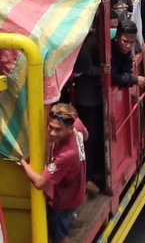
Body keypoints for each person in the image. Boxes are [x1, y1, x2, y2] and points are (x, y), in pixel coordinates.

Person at [20, 102, 88, 243]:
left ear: (69, 129)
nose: (52, 133)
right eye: (50, 127)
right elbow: (86, 135)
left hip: (65, 200)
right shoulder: (77, 124)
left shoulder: (66, 155)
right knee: (64, 222)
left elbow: (39, 183)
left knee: (60, 237)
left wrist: (23, 163)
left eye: (58, 130)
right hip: (75, 191)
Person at [73, 29, 104, 193]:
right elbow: (81, 71)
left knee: (93, 138)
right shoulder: (87, 44)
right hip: (87, 99)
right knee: (89, 140)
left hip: (91, 98)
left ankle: (92, 173)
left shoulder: (90, 40)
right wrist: (101, 70)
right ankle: (87, 177)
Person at [111, 19, 145, 88]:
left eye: (131, 42)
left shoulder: (126, 52)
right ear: (117, 37)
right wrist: (134, 79)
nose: (128, 46)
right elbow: (111, 78)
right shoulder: (109, 52)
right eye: (125, 41)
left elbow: (127, 72)